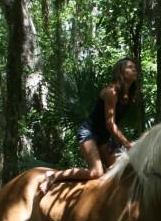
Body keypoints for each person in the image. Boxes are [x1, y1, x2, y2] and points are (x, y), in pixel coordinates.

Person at [40, 57, 140, 193]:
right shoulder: (111, 93)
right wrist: (127, 144)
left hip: (105, 137)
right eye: (129, 67)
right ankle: (54, 175)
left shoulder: (131, 96)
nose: (134, 69)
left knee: (122, 172)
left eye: (135, 67)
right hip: (89, 133)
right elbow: (110, 123)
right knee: (96, 172)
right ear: (121, 73)